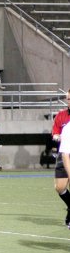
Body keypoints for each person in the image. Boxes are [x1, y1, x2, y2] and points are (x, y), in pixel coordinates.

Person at [51, 88, 70, 227]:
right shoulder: (61, 115)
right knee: (60, 187)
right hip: (65, 153)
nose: (68, 100)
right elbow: (55, 132)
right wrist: (57, 136)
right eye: (67, 98)